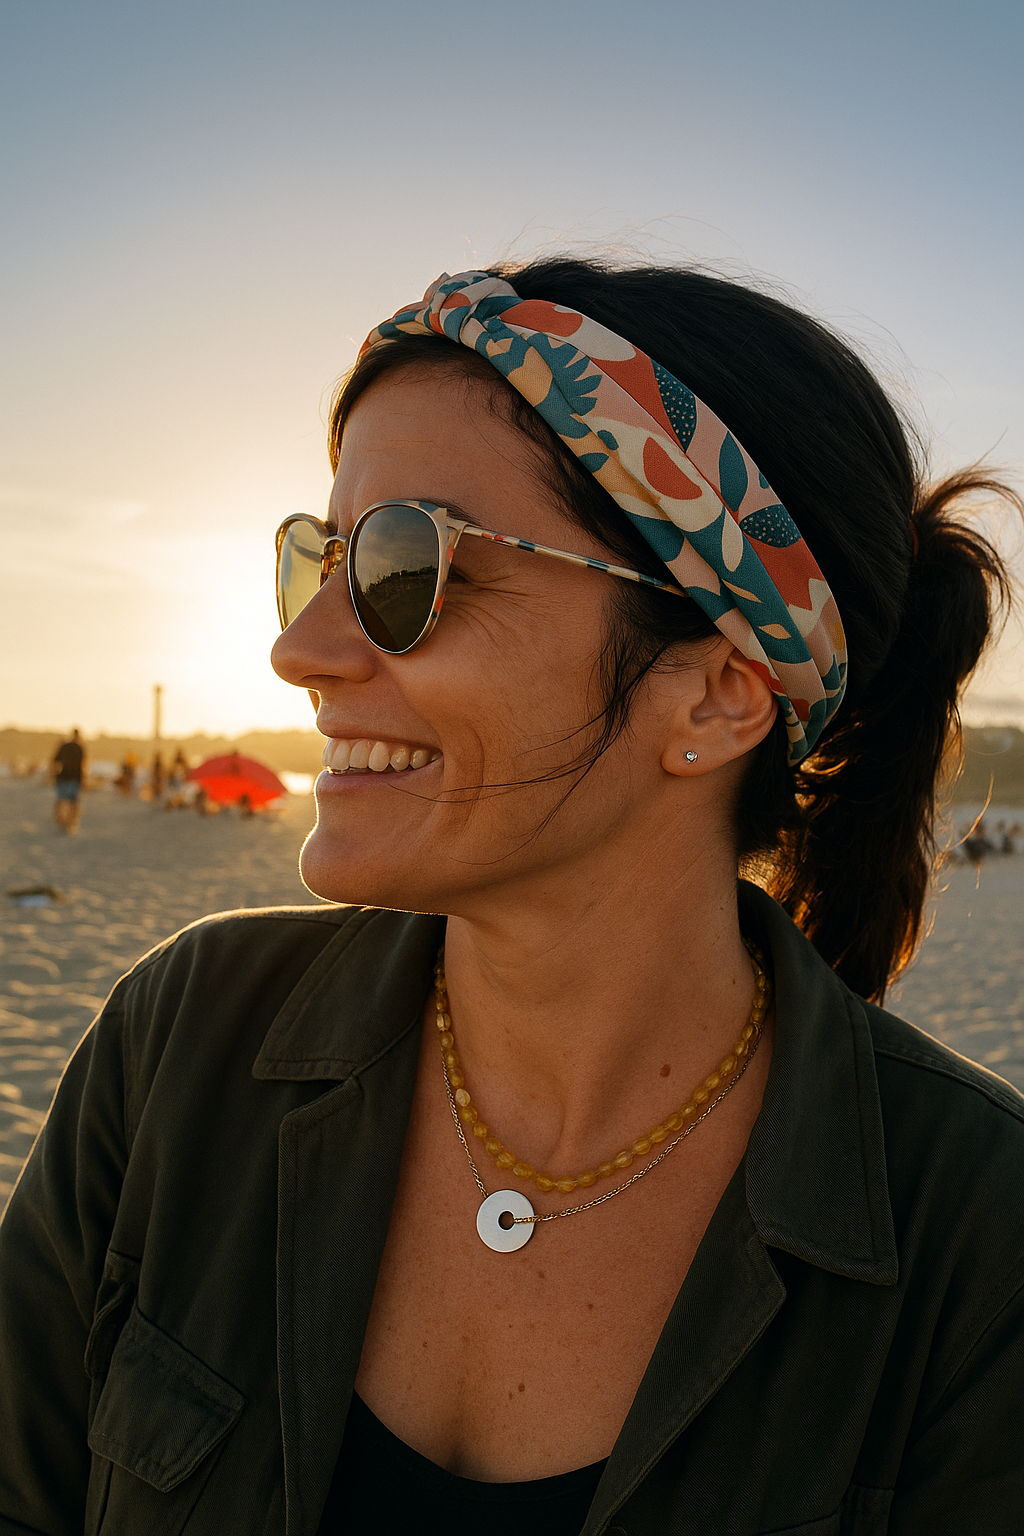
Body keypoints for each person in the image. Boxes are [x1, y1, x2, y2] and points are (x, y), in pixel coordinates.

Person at [2, 260, 1023, 1533]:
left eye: (408, 565)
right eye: (319, 558)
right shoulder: (181, 1042)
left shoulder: (977, 1238)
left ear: (716, 692)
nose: (299, 650)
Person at [50, 727, 85, 833]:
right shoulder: (80, 747)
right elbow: (83, 765)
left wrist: (52, 775)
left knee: (62, 801)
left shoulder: (64, 746)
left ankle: (62, 821)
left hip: (63, 777)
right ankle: (70, 823)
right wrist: (84, 780)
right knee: (73, 803)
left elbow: (55, 761)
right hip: (74, 778)